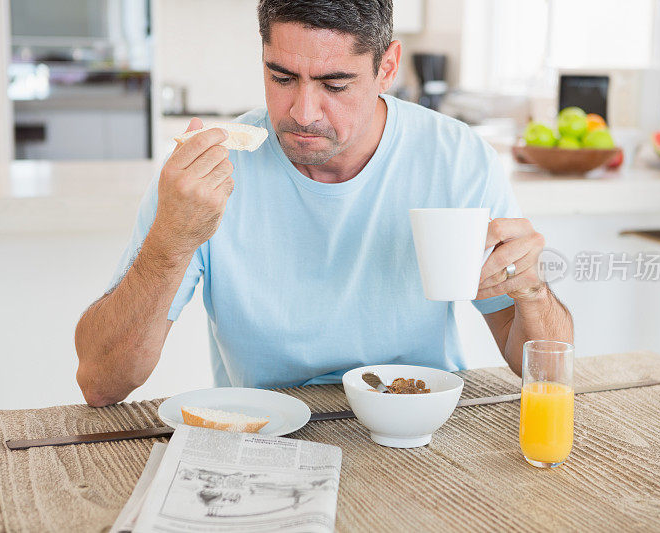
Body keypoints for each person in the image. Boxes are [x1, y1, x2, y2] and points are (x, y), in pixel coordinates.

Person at [75, 0, 573, 407]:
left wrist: (532, 291)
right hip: (263, 431)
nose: (303, 112)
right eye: (282, 77)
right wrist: (171, 238)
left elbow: (545, 370)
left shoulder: (455, 158)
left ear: (388, 68)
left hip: (419, 421)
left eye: (335, 85)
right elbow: (102, 382)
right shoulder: (211, 169)